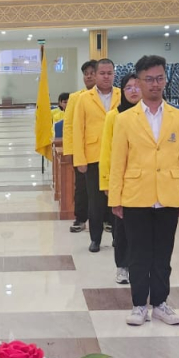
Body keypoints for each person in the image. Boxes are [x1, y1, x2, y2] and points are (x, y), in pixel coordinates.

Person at [109, 55, 179, 327]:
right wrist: (115, 198)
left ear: (165, 80)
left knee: (163, 254)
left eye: (159, 78)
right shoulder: (124, 119)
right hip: (135, 195)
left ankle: (159, 304)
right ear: (138, 82)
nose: (155, 84)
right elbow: (117, 161)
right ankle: (137, 305)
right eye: (149, 79)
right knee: (139, 254)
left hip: (168, 194)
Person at [70, 58, 121, 253]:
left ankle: (118, 237)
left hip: (118, 155)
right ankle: (95, 239)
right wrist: (80, 160)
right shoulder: (84, 98)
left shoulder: (122, 94)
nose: (106, 77)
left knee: (116, 200)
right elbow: (78, 129)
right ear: (96, 75)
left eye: (110, 73)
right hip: (93, 157)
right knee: (95, 201)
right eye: (102, 73)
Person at [98, 73, 141, 285]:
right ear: (122, 92)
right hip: (123, 181)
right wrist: (106, 182)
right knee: (122, 227)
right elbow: (106, 151)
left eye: (137, 86)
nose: (134, 91)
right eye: (129, 87)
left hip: (146, 181)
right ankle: (122, 266)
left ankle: (138, 266)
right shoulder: (114, 116)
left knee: (143, 230)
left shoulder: (150, 114)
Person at [65, 60, 99, 233]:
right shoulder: (75, 97)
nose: (89, 76)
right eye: (86, 73)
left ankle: (107, 219)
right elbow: (69, 125)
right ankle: (80, 218)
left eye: (93, 72)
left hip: (104, 151)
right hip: (83, 151)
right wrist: (70, 150)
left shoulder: (111, 95)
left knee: (106, 187)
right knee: (82, 187)